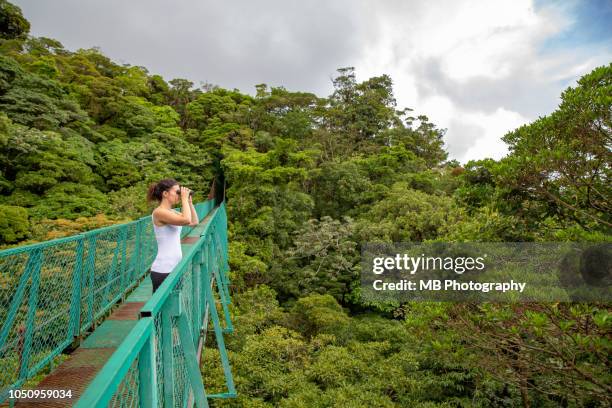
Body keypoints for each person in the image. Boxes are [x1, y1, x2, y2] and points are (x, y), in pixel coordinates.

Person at [146, 179, 199, 293]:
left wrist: (189, 202)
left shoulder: (171, 212)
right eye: (177, 192)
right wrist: (184, 200)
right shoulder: (159, 212)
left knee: (174, 308)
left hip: (175, 268)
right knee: (163, 310)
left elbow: (194, 222)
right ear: (165, 194)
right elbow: (186, 220)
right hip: (163, 270)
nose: (179, 195)